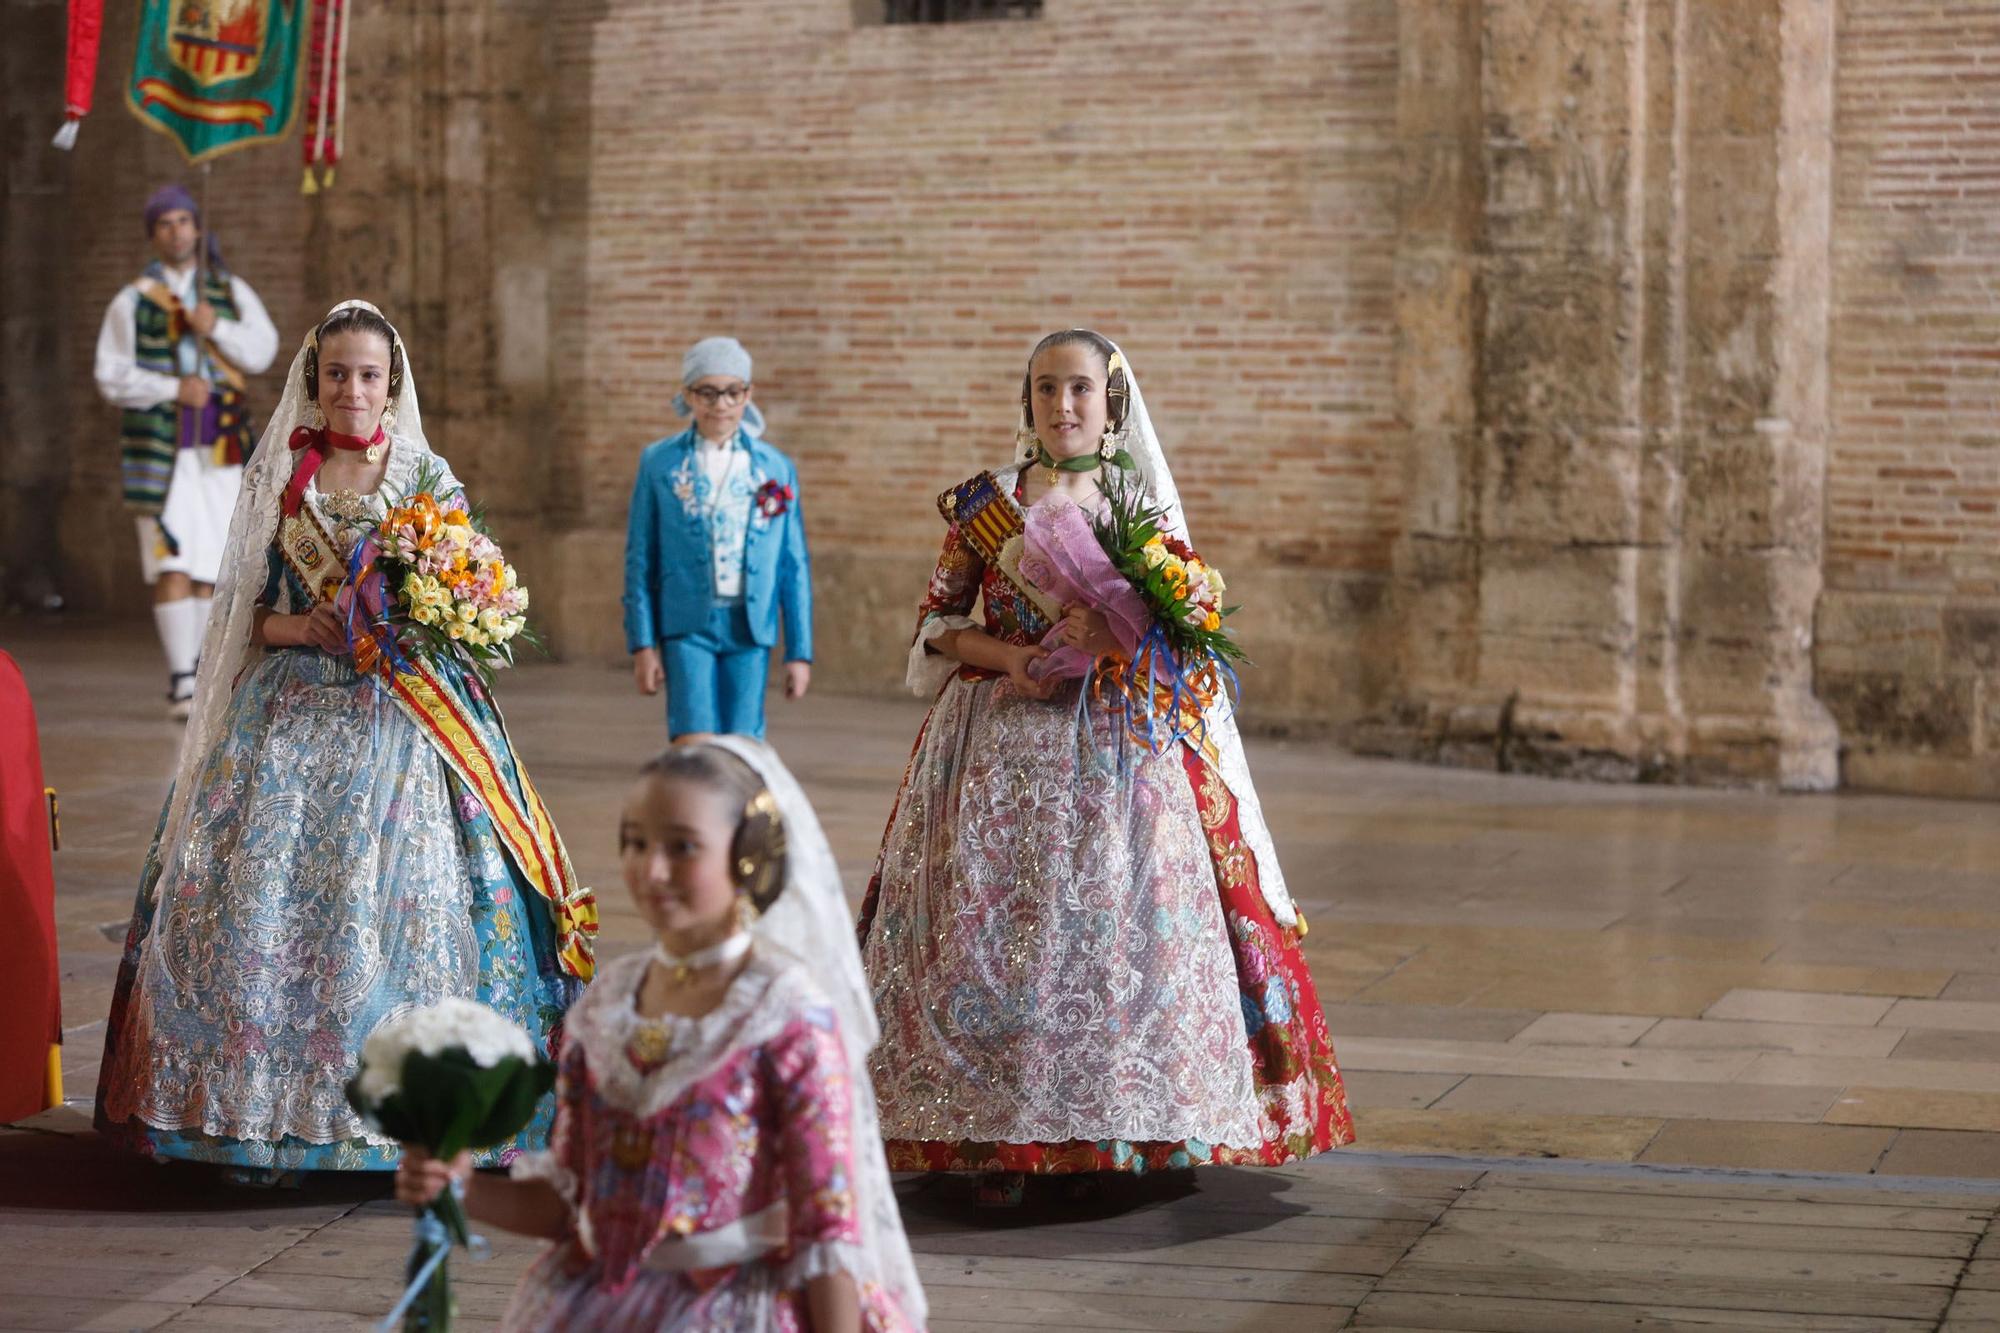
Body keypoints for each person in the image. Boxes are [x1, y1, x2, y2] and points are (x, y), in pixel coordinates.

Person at [94, 301, 595, 1176]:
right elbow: (238, 617)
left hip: (401, 718)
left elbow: (472, 589)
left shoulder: (426, 476)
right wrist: (301, 630)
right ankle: (252, 1108)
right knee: (264, 895)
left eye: (368, 375)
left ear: (391, 382)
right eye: (336, 375)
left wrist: (434, 612)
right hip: (287, 715)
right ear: (312, 381)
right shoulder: (279, 481)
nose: (352, 390)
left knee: (409, 897)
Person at [856, 330, 1353, 1204]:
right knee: (990, 934)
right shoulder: (989, 503)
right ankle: (983, 1130)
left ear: (1111, 401)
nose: (1063, 406)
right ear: (1029, 401)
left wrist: (1118, 631)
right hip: (995, 752)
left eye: (1080, 388)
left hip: (1118, 752)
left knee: (1114, 939)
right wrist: (1006, 657)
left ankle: (1122, 1133)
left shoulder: (1138, 505)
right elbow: (935, 624)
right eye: (1046, 389)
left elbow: (1182, 636)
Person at [396, 739, 926, 1332]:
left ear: (748, 855)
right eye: (635, 843)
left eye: (682, 847)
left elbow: (827, 1228)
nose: (650, 870)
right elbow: (573, 1205)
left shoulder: (786, 1017)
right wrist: (460, 1185)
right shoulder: (609, 1006)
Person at [95, 183, 280, 719]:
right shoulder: (132, 301)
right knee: (171, 559)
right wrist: (172, 388)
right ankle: (180, 680)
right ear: (153, 235)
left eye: (184, 221)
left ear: (198, 228)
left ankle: (205, 675)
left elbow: (263, 348)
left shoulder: (226, 290)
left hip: (219, 448)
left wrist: (214, 325)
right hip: (162, 452)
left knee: (215, 562)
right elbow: (111, 374)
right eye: (165, 224)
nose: (177, 231)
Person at [623, 337, 812, 741]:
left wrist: (799, 651)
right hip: (687, 625)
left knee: (743, 747)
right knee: (695, 747)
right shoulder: (660, 462)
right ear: (689, 395)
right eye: (707, 392)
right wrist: (642, 644)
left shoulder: (775, 467)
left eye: (732, 392)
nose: (720, 404)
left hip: (749, 625)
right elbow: (641, 560)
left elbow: (793, 568)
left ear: (748, 394)